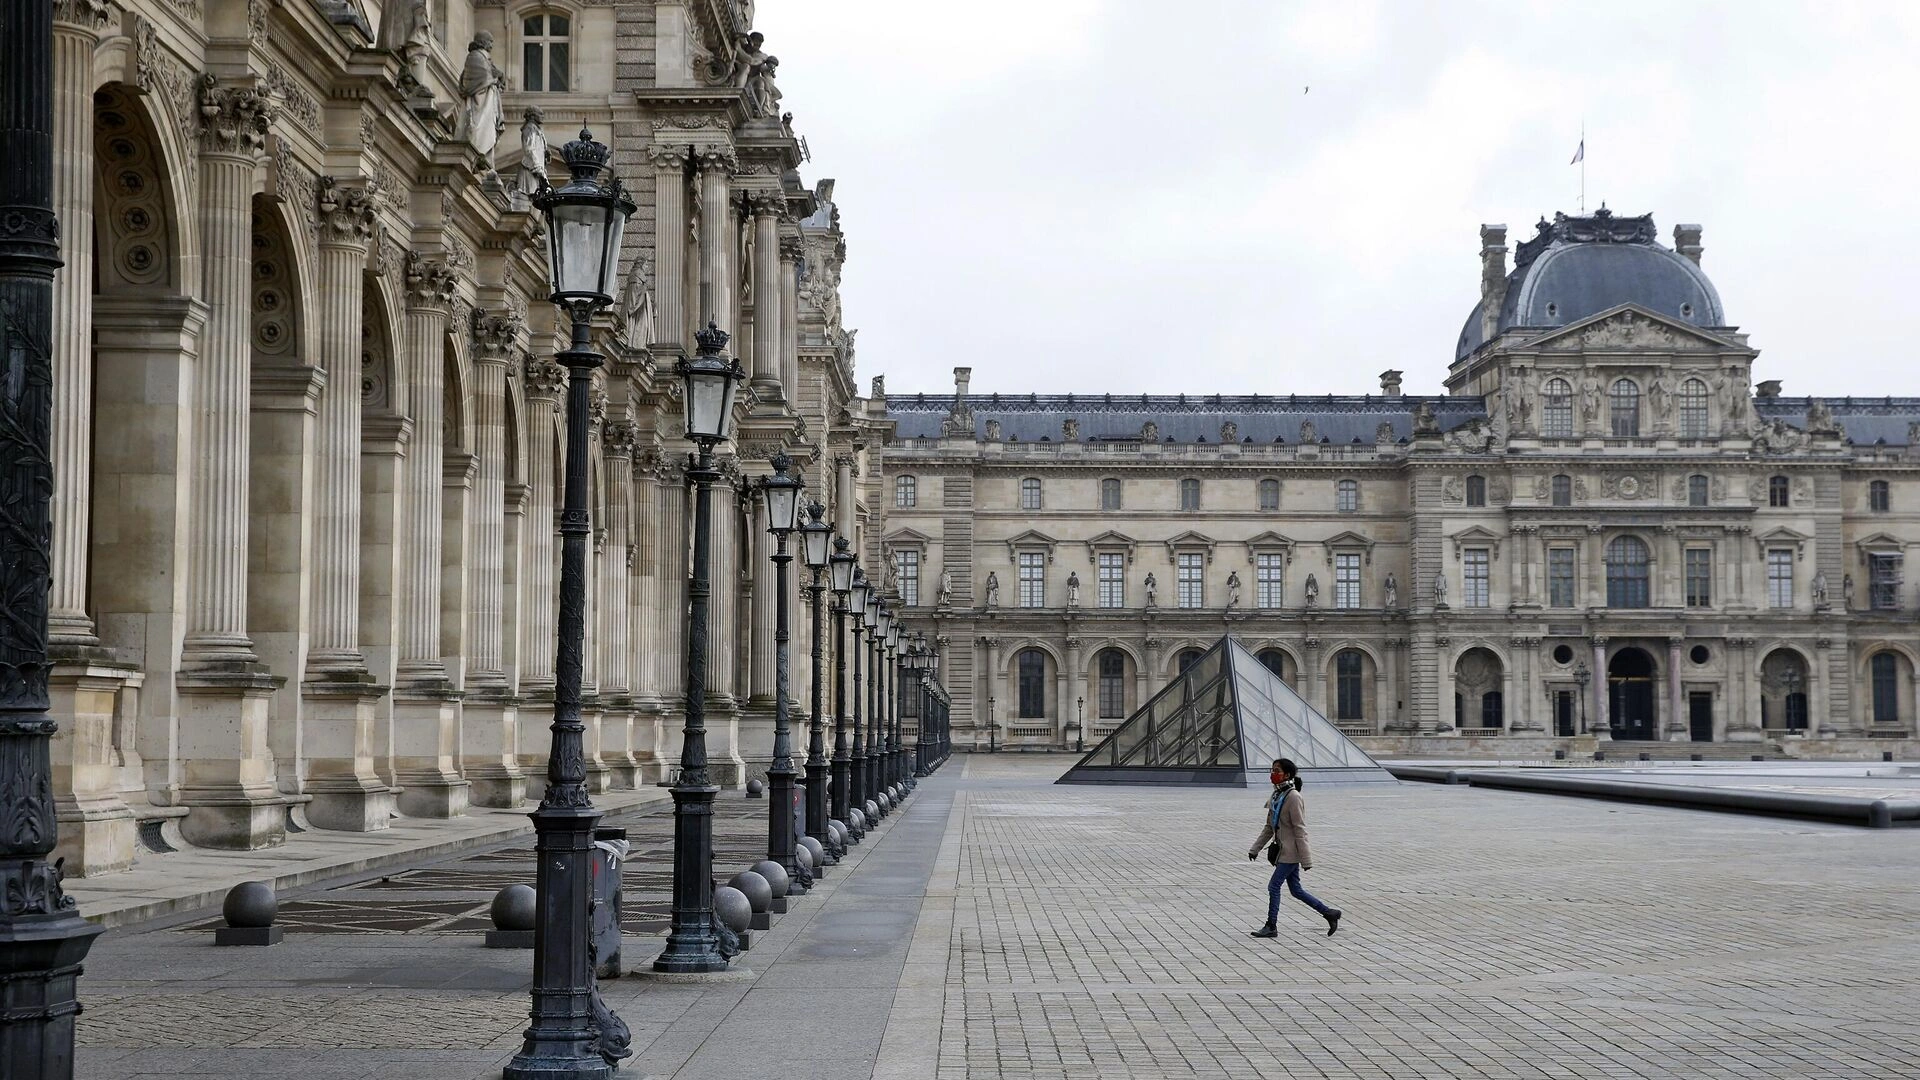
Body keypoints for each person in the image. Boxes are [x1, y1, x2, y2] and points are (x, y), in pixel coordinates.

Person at [1247, 758, 1341, 938]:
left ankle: (1271, 925)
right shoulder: (1276, 796)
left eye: (1277, 771)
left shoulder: (1293, 797)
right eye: (1272, 770)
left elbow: (1300, 829)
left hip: (1291, 853)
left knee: (1274, 886)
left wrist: (1306, 859)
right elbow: (1269, 827)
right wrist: (1255, 848)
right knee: (1296, 890)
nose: (1273, 774)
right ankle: (1329, 913)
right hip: (1282, 851)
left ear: (1287, 774)